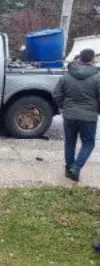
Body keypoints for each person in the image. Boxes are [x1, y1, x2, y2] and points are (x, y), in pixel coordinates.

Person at [53, 48, 99, 183]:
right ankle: (76, 167)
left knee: (70, 142)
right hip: (89, 116)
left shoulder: (66, 75)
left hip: (69, 115)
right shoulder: (98, 77)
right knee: (88, 143)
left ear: (79, 58)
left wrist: (64, 106)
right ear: (92, 59)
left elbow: (56, 94)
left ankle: (69, 169)